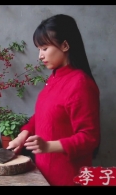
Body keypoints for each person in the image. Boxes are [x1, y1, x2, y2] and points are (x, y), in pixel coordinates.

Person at [7, 14, 100, 186]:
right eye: (39, 49)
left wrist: (49, 146)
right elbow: (42, 114)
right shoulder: (54, 78)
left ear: (65, 45)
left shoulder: (80, 84)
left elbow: (89, 137)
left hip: (68, 178)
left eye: (44, 48)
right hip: (44, 175)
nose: (40, 56)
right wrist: (22, 135)